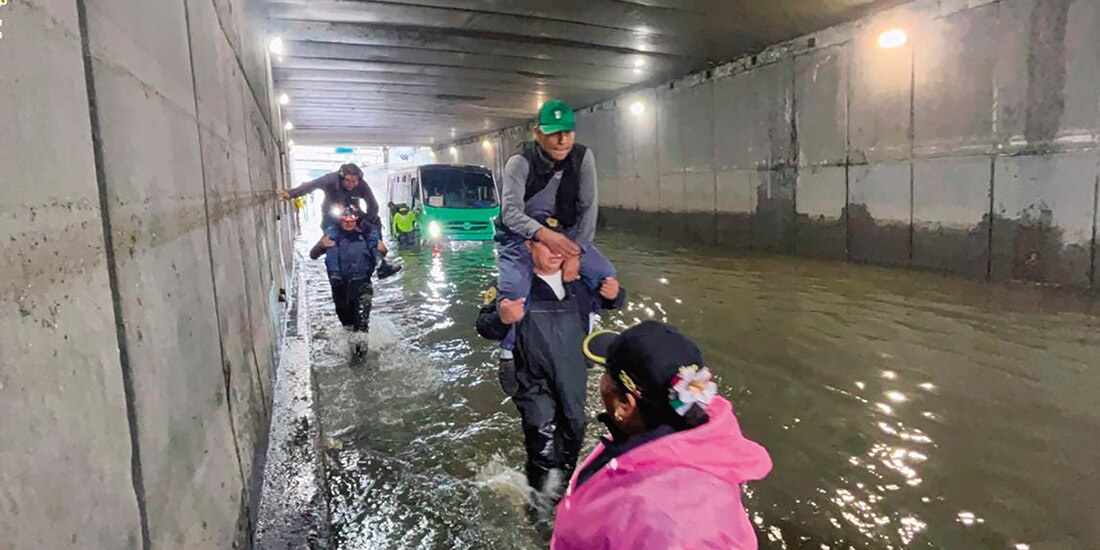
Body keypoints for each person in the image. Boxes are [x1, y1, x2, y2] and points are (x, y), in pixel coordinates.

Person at [550, 321, 773, 550]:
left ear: (625, 404)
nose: (602, 382)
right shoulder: (667, 431)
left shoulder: (671, 526)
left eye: (606, 374)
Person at [476, 216, 626, 507]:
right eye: (548, 244)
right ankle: (539, 515)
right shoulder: (513, 287)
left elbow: (612, 301)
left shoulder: (580, 284)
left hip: (572, 378)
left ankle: (562, 499)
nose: (557, 251)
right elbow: (483, 325)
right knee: (542, 440)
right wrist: (501, 318)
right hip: (532, 380)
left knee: (574, 431)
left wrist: (617, 295)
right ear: (529, 245)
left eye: (562, 244)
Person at [496, 100, 616, 387]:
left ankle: (587, 331)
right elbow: (510, 213)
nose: (562, 139)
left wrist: (577, 251)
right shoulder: (520, 162)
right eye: (553, 133)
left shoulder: (584, 158)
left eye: (567, 132)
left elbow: (589, 209)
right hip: (521, 235)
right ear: (537, 133)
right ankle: (507, 351)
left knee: (604, 273)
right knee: (514, 290)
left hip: (565, 234)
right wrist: (541, 236)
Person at [278, 163, 400, 279]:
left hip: (354, 213)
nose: (351, 185)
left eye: (354, 181)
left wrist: (371, 227)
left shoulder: (362, 185)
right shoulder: (330, 180)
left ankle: (380, 263)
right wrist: (290, 194)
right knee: (331, 238)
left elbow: (373, 206)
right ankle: (334, 272)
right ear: (341, 178)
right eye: (348, 181)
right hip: (332, 216)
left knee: (372, 231)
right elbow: (311, 185)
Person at [310, 205, 379, 356]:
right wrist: (320, 245)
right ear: (340, 221)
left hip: (362, 285)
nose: (348, 224)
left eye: (352, 221)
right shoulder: (332, 236)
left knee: (361, 325)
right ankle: (352, 352)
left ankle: (360, 360)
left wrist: (382, 250)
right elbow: (313, 255)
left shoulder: (366, 236)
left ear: (356, 221)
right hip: (340, 287)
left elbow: (381, 253)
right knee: (347, 324)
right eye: (345, 221)